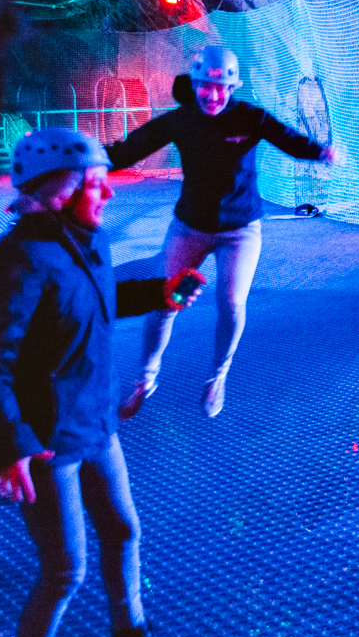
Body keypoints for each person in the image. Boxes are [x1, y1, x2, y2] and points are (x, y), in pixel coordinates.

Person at [0, 127, 200, 637]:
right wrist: (8, 447)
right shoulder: (18, 261)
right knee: (63, 572)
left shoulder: (84, 238)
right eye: (98, 184)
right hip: (49, 441)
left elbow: (95, 300)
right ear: (58, 190)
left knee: (123, 530)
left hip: (95, 424)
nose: (111, 194)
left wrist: (159, 294)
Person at [106, 45, 336, 419]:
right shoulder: (181, 120)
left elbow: (286, 138)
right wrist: (83, 160)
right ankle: (145, 380)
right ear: (194, 85)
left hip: (239, 231)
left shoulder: (248, 117)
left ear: (232, 89)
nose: (212, 96)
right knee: (166, 301)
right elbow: (133, 148)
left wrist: (320, 152)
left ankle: (217, 376)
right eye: (204, 88)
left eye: (221, 89)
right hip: (190, 230)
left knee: (230, 303)